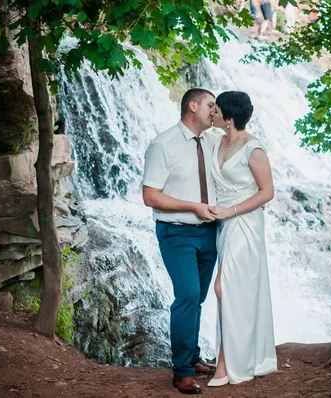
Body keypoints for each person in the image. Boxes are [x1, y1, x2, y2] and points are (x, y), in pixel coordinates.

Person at [142, 88, 219, 395]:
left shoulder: (212, 142)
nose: (215, 111)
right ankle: (182, 372)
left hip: (210, 232)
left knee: (197, 298)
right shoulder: (164, 144)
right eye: (211, 105)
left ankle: (194, 356)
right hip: (177, 233)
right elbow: (150, 196)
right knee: (187, 295)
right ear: (193, 106)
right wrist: (192, 206)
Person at [207, 91, 277, 387]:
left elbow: (267, 193)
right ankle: (240, 356)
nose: (212, 112)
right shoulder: (217, 141)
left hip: (245, 223)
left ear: (230, 117)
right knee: (236, 291)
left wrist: (231, 210)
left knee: (223, 286)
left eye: (217, 109)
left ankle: (225, 364)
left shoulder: (254, 149)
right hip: (224, 225)